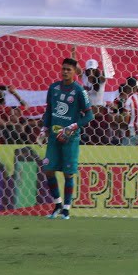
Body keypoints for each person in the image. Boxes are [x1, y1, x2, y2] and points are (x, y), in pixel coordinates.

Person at [41, 57, 93, 219]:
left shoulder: (79, 91)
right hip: (54, 137)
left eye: (68, 69)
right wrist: (44, 129)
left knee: (68, 174)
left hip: (70, 138)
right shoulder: (54, 88)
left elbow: (89, 115)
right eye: (63, 69)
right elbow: (49, 111)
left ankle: (66, 209)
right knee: (48, 170)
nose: (65, 72)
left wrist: (72, 127)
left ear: (74, 73)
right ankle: (57, 204)